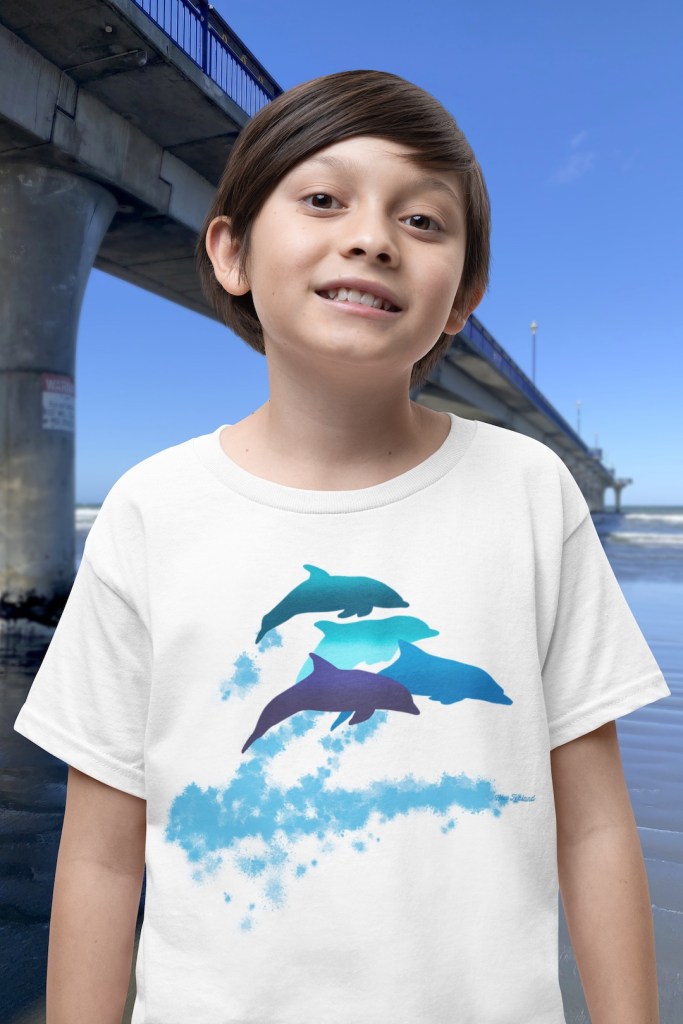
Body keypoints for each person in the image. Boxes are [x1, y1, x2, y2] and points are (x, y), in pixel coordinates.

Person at [14, 69, 670, 1024]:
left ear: (462, 299)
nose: (370, 237)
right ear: (231, 251)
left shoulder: (530, 491)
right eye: (322, 199)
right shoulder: (152, 508)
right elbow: (105, 853)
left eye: (422, 221)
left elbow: (598, 824)